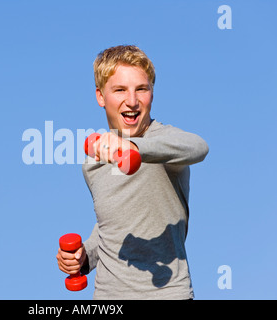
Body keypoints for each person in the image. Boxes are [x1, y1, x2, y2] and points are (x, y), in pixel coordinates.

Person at [56, 45, 209, 299]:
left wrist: (132, 147)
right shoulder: (94, 161)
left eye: (142, 89)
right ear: (100, 97)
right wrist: (83, 258)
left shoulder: (164, 142)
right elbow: (112, 227)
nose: (132, 101)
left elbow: (199, 147)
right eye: (120, 90)